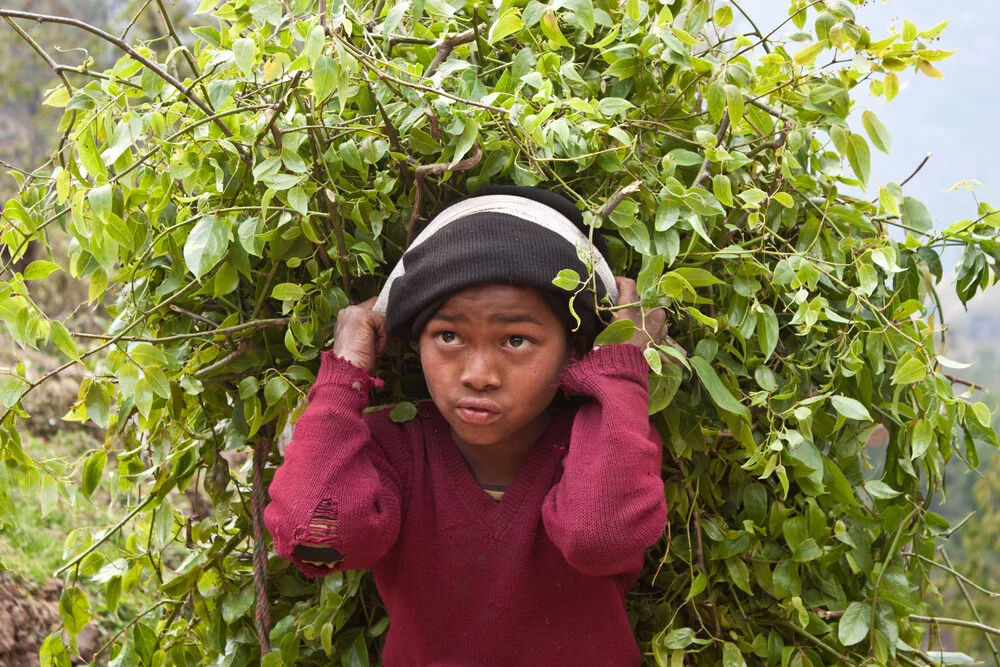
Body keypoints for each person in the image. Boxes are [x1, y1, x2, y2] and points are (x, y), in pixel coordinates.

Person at [263, 185, 669, 665]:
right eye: (448, 336)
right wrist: (344, 372)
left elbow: (599, 539)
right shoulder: (389, 451)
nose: (478, 375)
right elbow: (313, 540)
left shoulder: (605, 440)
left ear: (575, 350)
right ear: (416, 343)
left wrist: (620, 367)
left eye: (516, 340)